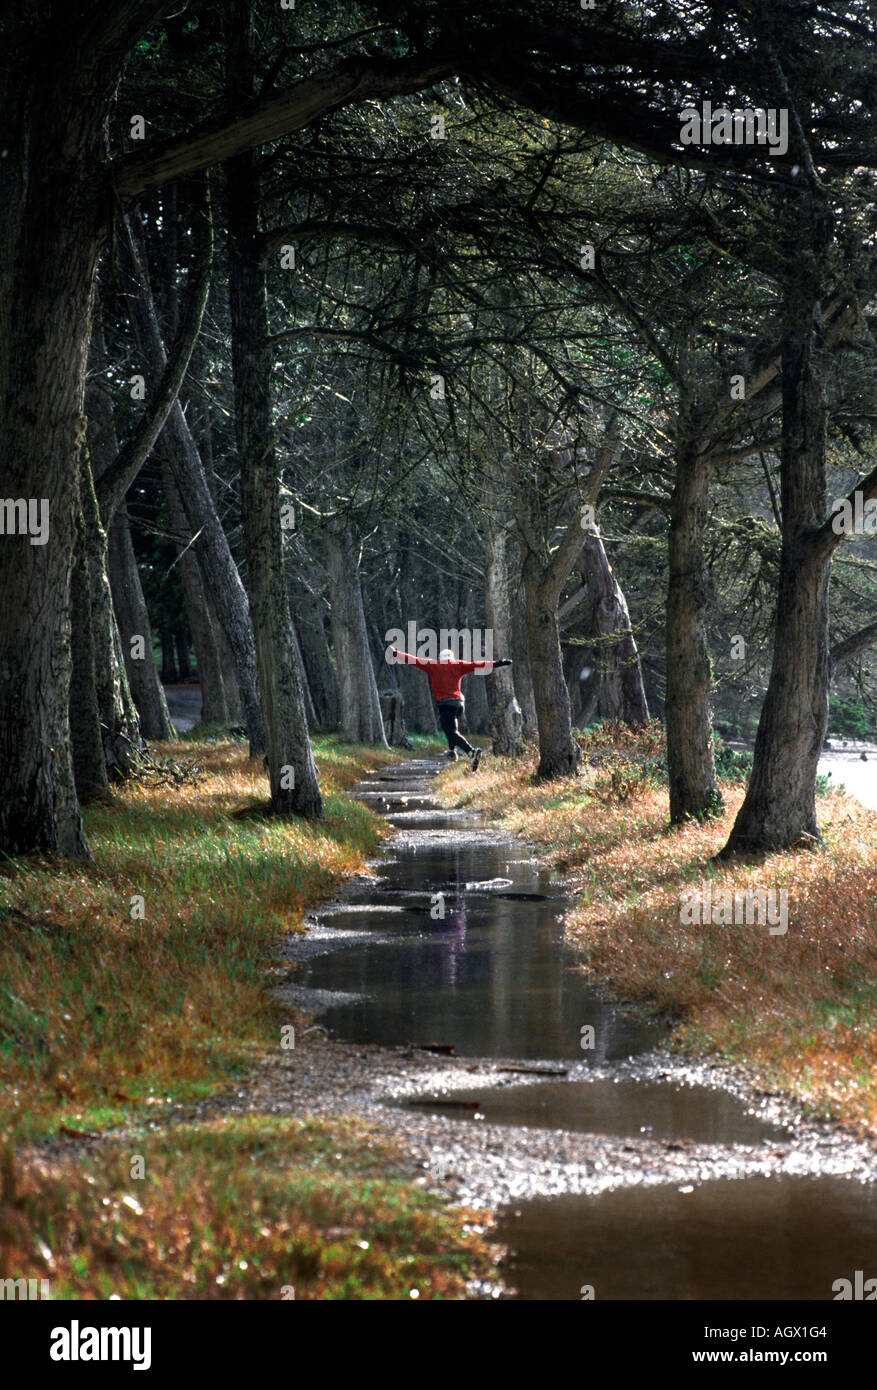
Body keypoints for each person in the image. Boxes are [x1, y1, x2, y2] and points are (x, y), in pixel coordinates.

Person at [390, 645, 512, 768]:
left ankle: (471, 751)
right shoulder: (458, 665)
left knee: (451, 731)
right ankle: (452, 751)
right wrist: (498, 663)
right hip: (458, 705)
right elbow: (477, 664)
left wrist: (396, 654)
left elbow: (413, 660)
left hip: (445, 704)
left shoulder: (433, 665)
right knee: (450, 728)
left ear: (440, 658)